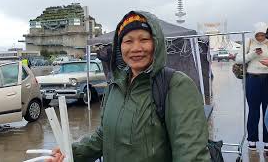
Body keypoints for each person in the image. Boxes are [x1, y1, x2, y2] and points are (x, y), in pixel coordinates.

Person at [46, 11, 210, 162]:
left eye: (144, 40)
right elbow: (104, 136)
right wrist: (71, 152)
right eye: (128, 41)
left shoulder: (176, 85)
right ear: (120, 47)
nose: (136, 48)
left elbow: (191, 155)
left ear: (156, 43)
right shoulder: (114, 85)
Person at [235, 22, 268, 151]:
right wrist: (253, 54)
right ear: (254, 34)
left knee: (267, 111)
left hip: (267, 79)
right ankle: (252, 139)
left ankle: (267, 141)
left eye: (263, 35)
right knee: (253, 111)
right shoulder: (248, 42)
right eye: (258, 35)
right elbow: (238, 59)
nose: (260, 38)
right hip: (252, 79)